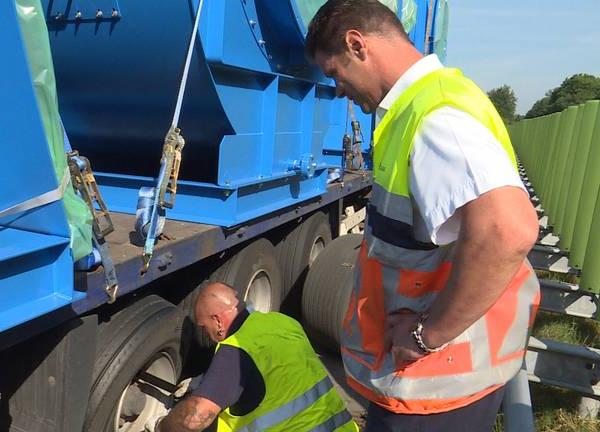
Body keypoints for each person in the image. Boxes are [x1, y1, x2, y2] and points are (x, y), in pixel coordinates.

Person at [304, 1, 541, 430]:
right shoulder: (432, 101)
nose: (337, 90)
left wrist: (424, 336)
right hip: (444, 377)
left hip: (435, 388)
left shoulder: (436, 118)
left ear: (356, 44)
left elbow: (509, 230)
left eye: (335, 73)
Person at [154, 282, 359, 432]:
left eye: (203, 327)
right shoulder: (282, 321)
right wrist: (210, 382)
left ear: (217, 321)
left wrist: (162, 425)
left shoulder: (235, 351)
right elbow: (271, 370)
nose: (206, 334)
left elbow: (193, 420)